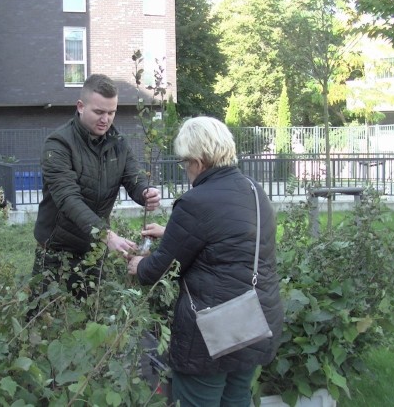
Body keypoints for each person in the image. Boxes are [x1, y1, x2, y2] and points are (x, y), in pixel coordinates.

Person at [127, 116, 283, 407]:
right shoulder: (253, 189)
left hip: (213, 331)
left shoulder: (196, 201)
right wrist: (171, 232)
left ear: (198, 162)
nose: (186, 169)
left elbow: (158, 269)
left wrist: (138, 265)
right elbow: (230, 239)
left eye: (185, 162)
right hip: (252, 319)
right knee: (236, 399)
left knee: (200, 400)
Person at [30, 73, 161, 301]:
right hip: (56, 250)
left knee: (90, 315)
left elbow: (133, 176)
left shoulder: (117, 143)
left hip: (93, 249)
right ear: (81, 106)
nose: (106, 119)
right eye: (99, 112)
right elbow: (68, 200)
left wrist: (144, 192)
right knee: (44, 322)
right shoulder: (58, 144)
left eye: (111, 113)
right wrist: (106, 235)